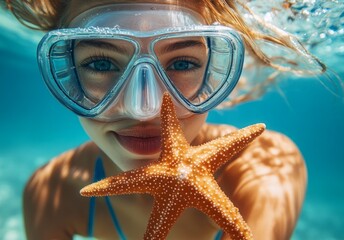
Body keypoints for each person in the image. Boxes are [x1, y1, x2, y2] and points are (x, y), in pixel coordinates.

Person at [3, 0, 320, 239]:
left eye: (182, 63)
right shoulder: (51, 192)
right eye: (101, 63)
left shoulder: (265, 168)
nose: (145, 107)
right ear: (69, 75)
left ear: (212, 72)